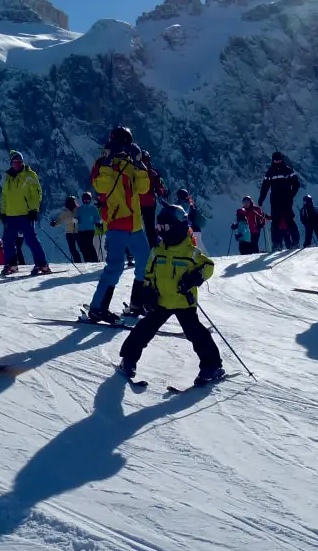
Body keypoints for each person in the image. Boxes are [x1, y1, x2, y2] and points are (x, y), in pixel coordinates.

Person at [117, 205, 224, 387]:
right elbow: (149, 273)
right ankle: (128, 359)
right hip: (161, 301)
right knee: (144, 330)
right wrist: (148, 291)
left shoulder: (190, 252)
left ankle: (212, 366)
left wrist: (194, 277)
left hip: (184, 302)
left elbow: (209, 266)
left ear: (178, 227)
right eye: (158, 228)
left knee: (196, 334)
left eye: (164, 228)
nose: (160, 232)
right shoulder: (157, 252)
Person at [85, 127, 151, 322]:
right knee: (115, 265)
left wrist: (139, 164)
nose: (123, 149)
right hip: (116, 221)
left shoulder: (130, 165)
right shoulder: (102, 164)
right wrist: (107, 162)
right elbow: (100, 186)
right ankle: (97, 308)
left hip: (135, 223)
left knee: (145, 262)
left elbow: (143, 188)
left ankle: (137, 303)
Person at [0, 150, 51, 275]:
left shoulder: (29, 175)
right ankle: (11, 265)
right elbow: (5, 196)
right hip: (11, 214)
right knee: (8, 240)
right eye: (15, 161)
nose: (17, 163)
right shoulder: (8, 177)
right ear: (11, 163)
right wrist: (3, 212)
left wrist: (34, 209)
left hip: (25, 213)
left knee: (30, 239)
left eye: (19, 161)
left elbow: (36, 194)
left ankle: (42, 264)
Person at [258, 152, 302, 249]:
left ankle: (295, 241)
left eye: (279, 159)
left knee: (289, 219)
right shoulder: (270, 172)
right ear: (273, 160)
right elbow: (265, 187)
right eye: (275, 160)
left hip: (286, 199)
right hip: (275, 200)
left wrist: (291, 194)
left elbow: (296, 184)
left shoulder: (288, 171)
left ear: (282, 159)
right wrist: (261, 198)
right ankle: (276, 243)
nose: (277, 161)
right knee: (275, 221)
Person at [138, 149, 167, 247]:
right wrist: (159, 193)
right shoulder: (153, 173)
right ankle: (153, 248)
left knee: (135, 227)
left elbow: (160, 187)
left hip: (137, 203)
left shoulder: (135, 172)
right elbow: (161, 187)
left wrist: (159, 191)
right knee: (149, 228)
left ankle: (131, 251)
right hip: (148, 203)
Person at [50, 195, 80, 261]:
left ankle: (80, 261)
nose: (71, 203)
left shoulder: (78, 210)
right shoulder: (65, 212)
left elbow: (81, 219)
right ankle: (78, 261)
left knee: (80, 248)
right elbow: (60, 220)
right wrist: (55, 224)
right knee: (72, 249)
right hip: (69, 232)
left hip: (77, 231)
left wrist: (77, 220)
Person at [73, 192, 101, 262]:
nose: (86, 201)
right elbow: (76, 218)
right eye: (85, 200)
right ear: (82, 200)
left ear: (90, 200)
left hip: (90, 230)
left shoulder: (93, 209)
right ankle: (87, 259)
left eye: (88, 200)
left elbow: (97, 217)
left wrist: (98, 223)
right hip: (81, 230)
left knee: (89, 244)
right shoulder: (79, 209)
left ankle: (94, 259)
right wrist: (74, 222)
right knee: (83, 246)